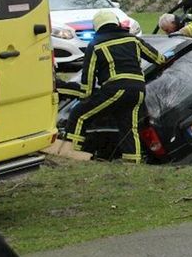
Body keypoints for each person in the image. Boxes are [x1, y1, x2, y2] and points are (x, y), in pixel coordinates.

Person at [57, 9, 162, 163]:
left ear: (97, 27)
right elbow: (158, 58)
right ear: (116, 23)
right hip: (138, 90)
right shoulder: (133, 39)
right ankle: (132, 161)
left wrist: (86, 96)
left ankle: (70, 155)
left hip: (116, 88)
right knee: (128, 126)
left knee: (79, 115)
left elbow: (89, 77)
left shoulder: (96, 45)